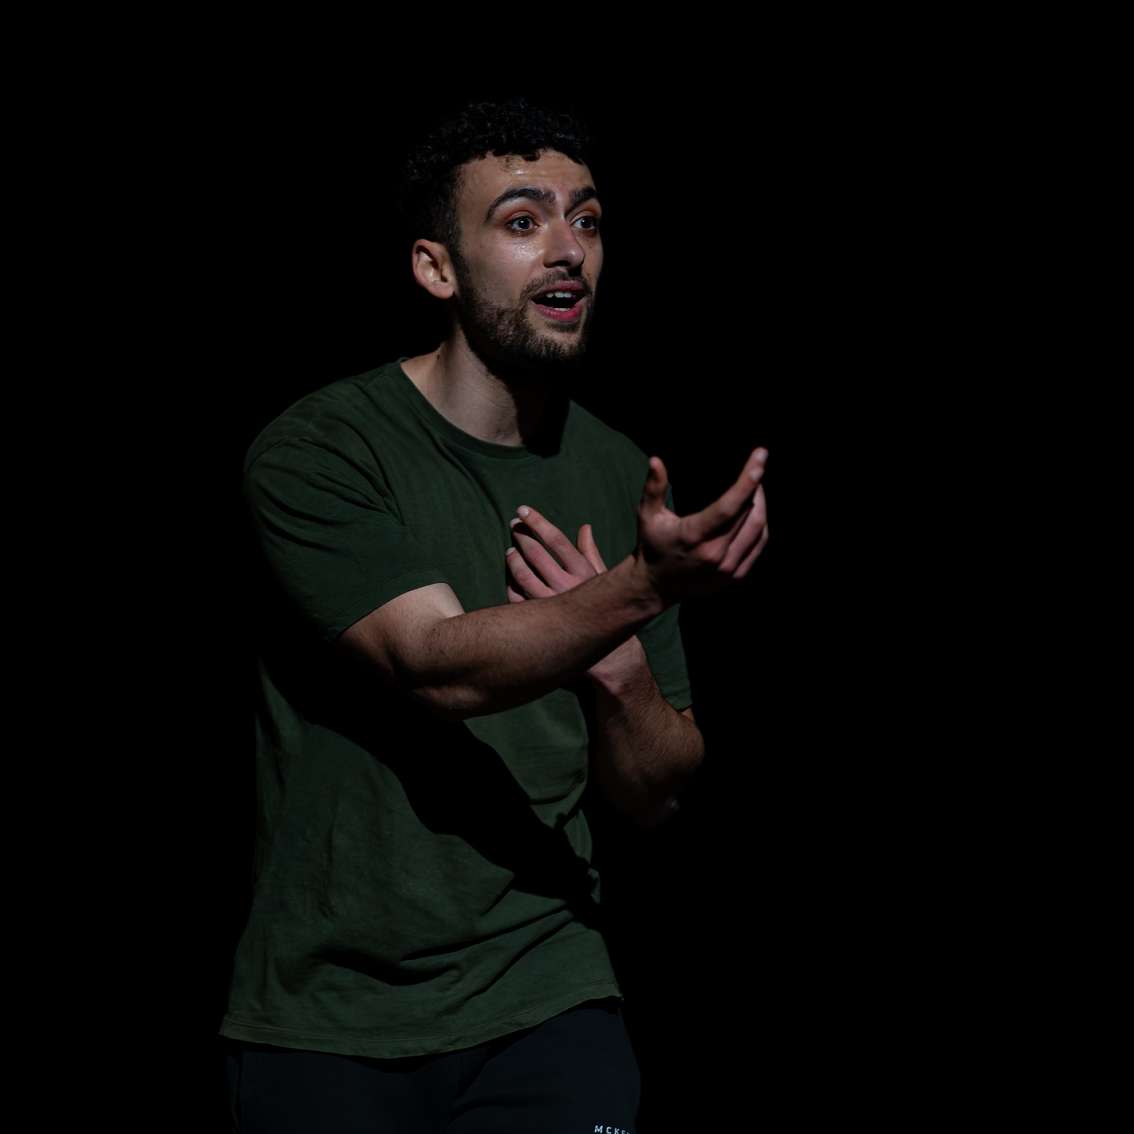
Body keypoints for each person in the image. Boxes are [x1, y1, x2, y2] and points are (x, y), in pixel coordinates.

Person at [221, 101, 769, 1131]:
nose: (568, 249)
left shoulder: (615, 468)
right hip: (333, 1016)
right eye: (522, 222)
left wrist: (619, 673)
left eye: (589, 219)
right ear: (436, 268)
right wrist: (637, 592)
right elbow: (434, 664)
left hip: (546, 992)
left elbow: (657, 793)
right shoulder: (322, 448)